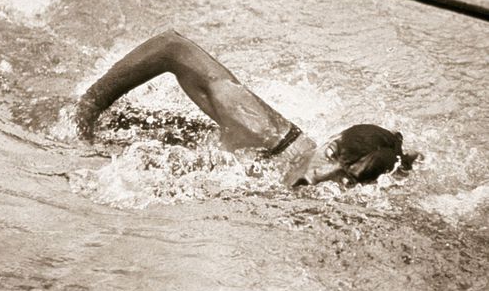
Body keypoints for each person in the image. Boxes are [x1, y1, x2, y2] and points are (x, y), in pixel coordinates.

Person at [76, 29, 418, 187]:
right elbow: (171, 47)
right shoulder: (261, 130)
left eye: (346, 178)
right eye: (330, 155)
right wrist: (87, 111)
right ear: (330, 138)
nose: (320, 176)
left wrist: (403, 167)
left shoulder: (339, 193)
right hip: (129, 132)